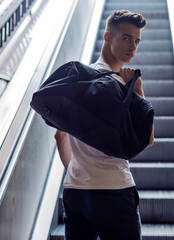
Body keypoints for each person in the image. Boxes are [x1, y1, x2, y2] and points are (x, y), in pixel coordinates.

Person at [54, 9, 154, 240]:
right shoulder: (122, 85)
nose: (133, 47)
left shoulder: (78, 79)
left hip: (76, 192)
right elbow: (147, 139)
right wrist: (137, 89)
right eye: (126, 38)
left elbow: (60, 136)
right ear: (107, 37)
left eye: (137, 41)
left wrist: (77, 172)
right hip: (115, 191)